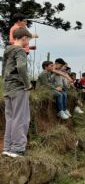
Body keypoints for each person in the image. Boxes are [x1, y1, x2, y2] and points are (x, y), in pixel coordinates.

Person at [1, 28, 33, 157]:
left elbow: (4, 70)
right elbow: (21, 67)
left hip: (8, 88)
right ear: (24, 37)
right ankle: (18, 148)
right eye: (28, 40)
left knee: (10, 118)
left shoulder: (7, 51)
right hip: (19, 88)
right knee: (21, 118)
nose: (28, 43)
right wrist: (27, 84)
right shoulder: (20, 51)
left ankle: (8, 147)